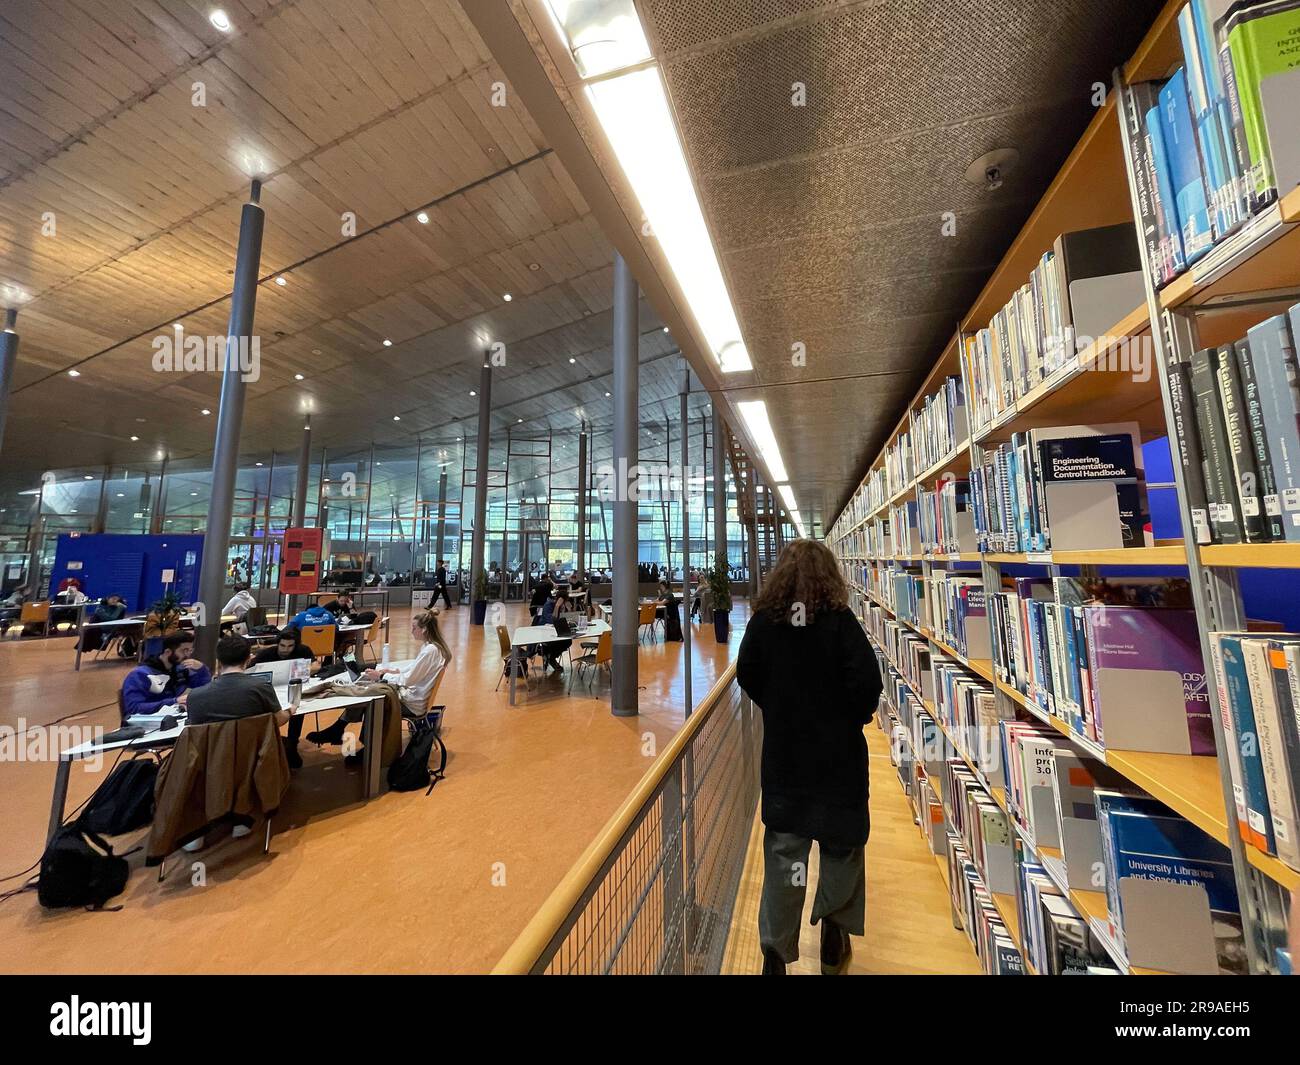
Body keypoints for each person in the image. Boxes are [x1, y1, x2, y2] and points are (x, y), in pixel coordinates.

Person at [736, 539, 882, 977]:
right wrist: (847, 718)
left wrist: (780, 709)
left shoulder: (765, 623)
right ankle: (834, 938)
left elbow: (747, 673)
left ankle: (775, 957)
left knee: (785, 858)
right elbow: (867, 685)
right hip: (838, 765)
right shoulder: (841, 622)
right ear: (829, 576)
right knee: (842, 849)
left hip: (787, 763)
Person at [182, 634, 292, 852]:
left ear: (218, 661)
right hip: (252, 763)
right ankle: (244, 814)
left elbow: (196, 735)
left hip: (210, 768)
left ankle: (198, 824)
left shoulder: (195, 697)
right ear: (248, 659)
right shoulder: (260, 688)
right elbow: (276, 721)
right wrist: (290, 711)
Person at [360, 609, 451, 716]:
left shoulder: (430, 650)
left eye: (414, 628)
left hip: (411, 704)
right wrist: (392, 672)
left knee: (370, 697)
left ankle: (343, 724)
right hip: (414, 698)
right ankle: (342, 724)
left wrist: (381, 675)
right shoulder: (431, 647)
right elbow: (412, 669)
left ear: (424, 629)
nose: (412, 631)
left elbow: (408, 680)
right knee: (373, 690)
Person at [252, 626, 316, 768]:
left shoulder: (303, 651)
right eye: (282, 645)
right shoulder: (266, 654)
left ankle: (292, 744)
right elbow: (250, 671)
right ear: (278, 643)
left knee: (297, 707)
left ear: (296, 645)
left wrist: (301, 669)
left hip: (291, 688)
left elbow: (316, 665)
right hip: (269, 692)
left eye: (290, 646)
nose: (285, 649)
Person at [120, 631, 213, 721]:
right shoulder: (141, 675)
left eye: (190, 650)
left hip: (174, 719)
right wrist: (173, 702)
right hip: (148, 725)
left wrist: (202, 670)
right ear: (168, 652)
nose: (188, 655)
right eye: (184, 651)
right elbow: (133, 709)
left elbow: (205, 690)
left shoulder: (180, 669)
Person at [537, 586, 572, 673]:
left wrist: (569, 609)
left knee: (568, 641)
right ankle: (551, 658)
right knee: (557, 642)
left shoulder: (562, 606)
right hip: (544, 630)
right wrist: (557, 606)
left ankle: (550, 657)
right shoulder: (549, 605)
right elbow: (552, 620)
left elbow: (568, 619)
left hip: (556, 630)